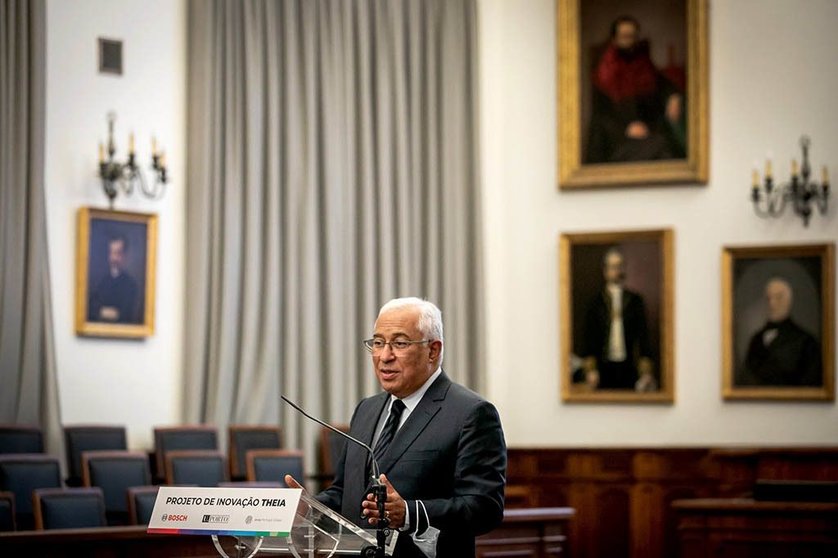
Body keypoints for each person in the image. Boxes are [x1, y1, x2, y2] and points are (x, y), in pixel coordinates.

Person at [285, 297, 507, 558]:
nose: (384, 356)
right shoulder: (367, 409)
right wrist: (309, 508)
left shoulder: (471, 413)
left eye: (399, 344)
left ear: (433, 350)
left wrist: (409, 513)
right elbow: (346, 492)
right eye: (378, 343)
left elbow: (485, 508)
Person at [585, 15, 686, 164]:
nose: (629, 41)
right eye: (624, 37)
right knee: (662, 147)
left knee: (667, 148)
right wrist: (627, 129)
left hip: (648, 133)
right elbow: (601, 117)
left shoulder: (643, 63)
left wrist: (673, 97)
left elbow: (664, 85)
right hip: (616, 141)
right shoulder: (603, 72)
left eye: (632, 36)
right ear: (614, 39)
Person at [580, 248, 657, 391]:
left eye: (620, 266)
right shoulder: (595, 303)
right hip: (603, 369)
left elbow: (643, 338)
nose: (617, 270)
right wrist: (591, 370)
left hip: (629, 368)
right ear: (605, 271)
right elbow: (589, 339)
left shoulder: (635, 301)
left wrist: (645, 372)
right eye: (613, 267)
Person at [738, 278, 822, 386]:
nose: (772, 303)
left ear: (788, 301)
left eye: (778, 297)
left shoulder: (806, 341)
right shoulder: (756, 339)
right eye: (768, 298)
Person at [87, 234, 141, 323]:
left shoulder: (131, 285)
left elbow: (125, 316)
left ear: (125, 256)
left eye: (118, 253)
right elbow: (90, 310)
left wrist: (101, 312)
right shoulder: (99, 281)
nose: (114, 258)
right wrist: (102, 312)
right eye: (112, 253)